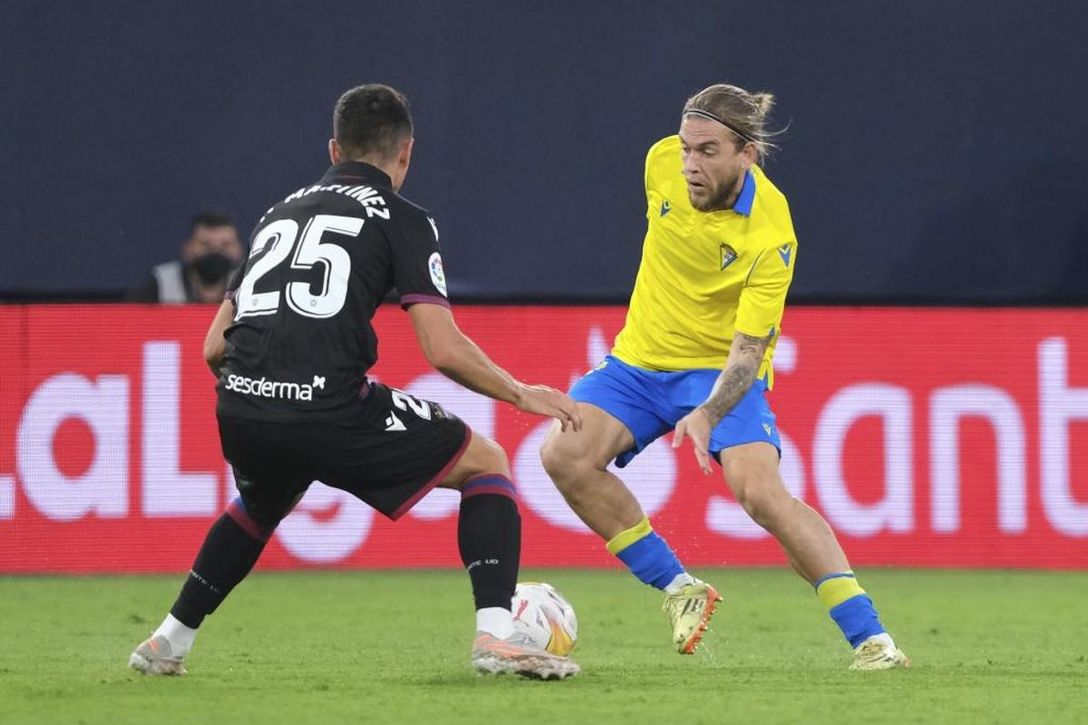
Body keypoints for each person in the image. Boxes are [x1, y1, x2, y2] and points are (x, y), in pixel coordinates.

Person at [129, 84, 582, 680]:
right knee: (486, 463)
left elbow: (214, 346)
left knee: (265, 500)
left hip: (239, 406)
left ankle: (167, 641)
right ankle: (497, 636)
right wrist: (523, 393)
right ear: (406, 152)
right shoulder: (403, 218)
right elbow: (443, 349)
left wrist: (265, 394)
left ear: (334, 148)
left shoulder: (276, 214)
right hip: (327, 405)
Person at [540, 83, 909, 670]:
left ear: (747, 155)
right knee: (563, 455)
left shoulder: (771, 232)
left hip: (717, 372)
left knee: (760, 494)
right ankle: (679, 588)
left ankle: (872, 639)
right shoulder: (660, 163)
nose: (690, 163)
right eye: (687, 147)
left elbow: (748, 352)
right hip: (638, 361)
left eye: (708, 151)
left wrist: (708, 412)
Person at [127, 212, 244, 303]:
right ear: (188, 248)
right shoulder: (161, 284)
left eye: (225, 245)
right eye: (205, 245)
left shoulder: (246, 285)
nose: (215, 252)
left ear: (239, 250)